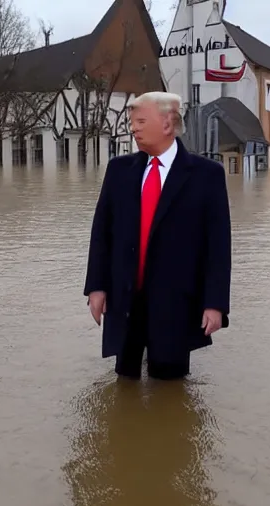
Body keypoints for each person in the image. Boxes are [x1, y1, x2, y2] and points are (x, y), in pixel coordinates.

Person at [83, 91, 231, 380]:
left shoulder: (206, 175)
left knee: (170, 389)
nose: (133, 128)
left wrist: (215, 304)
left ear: (167, 124)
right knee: (124, 384)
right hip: (125, 299)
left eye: (140, 121)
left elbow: (218, 246)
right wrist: (96, 288)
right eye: (131, 121)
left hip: (175, 303)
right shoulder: (119, 171)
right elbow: (102, 234)